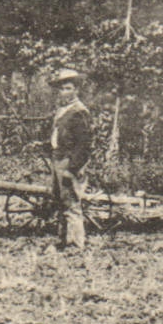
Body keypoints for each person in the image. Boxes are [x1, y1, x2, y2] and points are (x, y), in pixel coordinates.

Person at [46, 68, 93, 251]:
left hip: (67, 161)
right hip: (57, 158)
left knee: (71, 202)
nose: (63, 92)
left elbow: (84, 145)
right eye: (61, 89)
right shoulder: (62, 111)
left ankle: (75, 244)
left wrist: (71, 168)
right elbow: (60, 137)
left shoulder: (79, 112)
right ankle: (63, 240)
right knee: (59, 201)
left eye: (67, 88)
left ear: (76, 90)